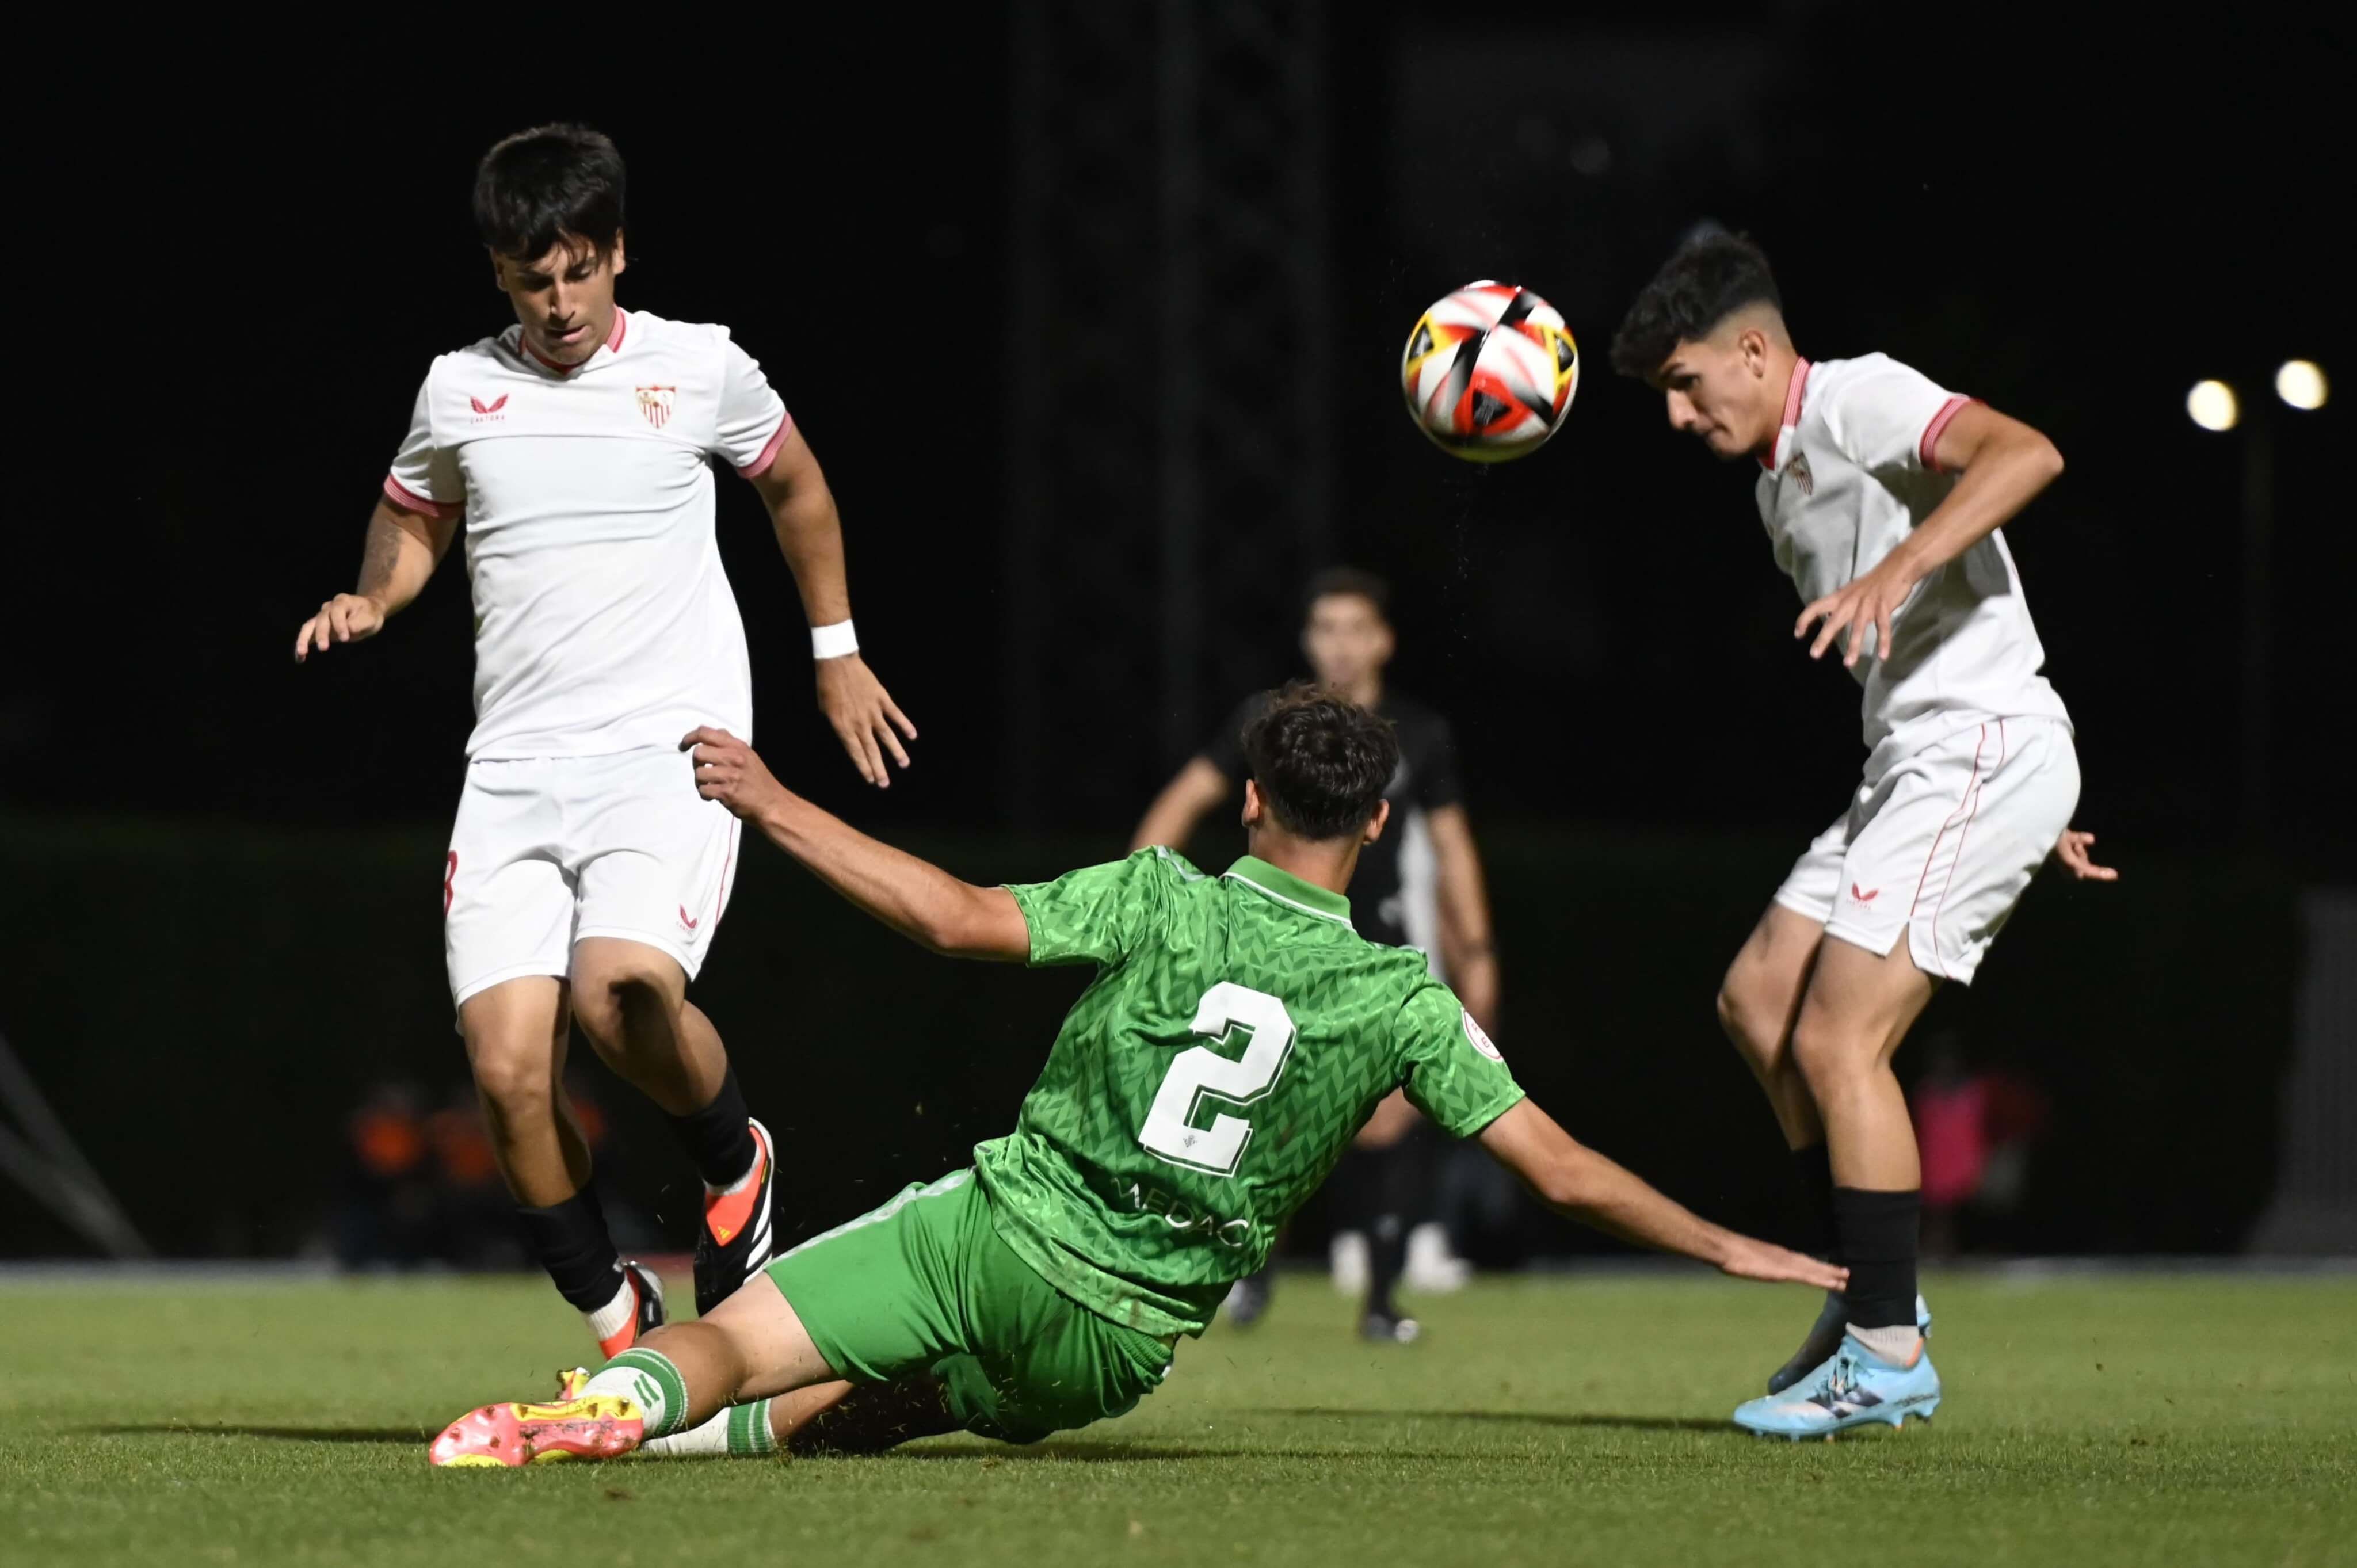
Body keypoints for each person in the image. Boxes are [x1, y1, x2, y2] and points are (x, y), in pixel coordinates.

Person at [428, 686, 1844, 1466]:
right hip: (1118, 1352)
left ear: (1247, 802)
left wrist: (773, 799)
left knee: (741, 1335)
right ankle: (706, 1443)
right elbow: (1561, 1168)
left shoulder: (1170, 895)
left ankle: (598, 1410)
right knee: (884, 1401)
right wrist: (1732, 1244)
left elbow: (951, 918)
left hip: (998, 1238)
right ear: (1378, 824)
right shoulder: (1399, 997)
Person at [293, 124, 916, 1357]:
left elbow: (795, 487)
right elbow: (409, 516)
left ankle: (733, 1155)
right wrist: (376, 591)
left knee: (621, 987)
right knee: (510, 1074)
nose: (563, 300)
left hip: (665, 751)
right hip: (516, 767)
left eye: (582, 268)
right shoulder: (456, 388)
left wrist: (835, 650)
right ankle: (616, 1313)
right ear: (499, 274)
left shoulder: (700, 369)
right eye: (536, 278)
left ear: (618, 251)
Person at [1608, 231, 2117, 1438]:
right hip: (1927, 761)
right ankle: (1862, 1294)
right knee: (1756, 999)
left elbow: (2023, 453)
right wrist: (2024, 811)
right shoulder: (1773, 485)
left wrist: (1899, 565)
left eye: (1684, 384)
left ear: (1750, 349)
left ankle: (1888, 1350)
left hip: (1972, 747)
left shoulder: (1856, 394)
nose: (1676, 416)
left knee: (1841, 1035)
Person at [1131, 569, 1499, 1341]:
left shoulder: (1417, 733)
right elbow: (1183, 799)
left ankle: (1381, 1300)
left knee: (1388, 1121)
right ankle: (1248, 1275)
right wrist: (1148, 889)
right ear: (1307, 639)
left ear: (1383, 639)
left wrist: (1478, 951)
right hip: (1278, 942)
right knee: (1273, 1115)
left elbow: (1453, 850)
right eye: (1325, 627)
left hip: (1379, 946)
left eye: (1354, 627)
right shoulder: (1268, 720)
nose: (1339, 644)